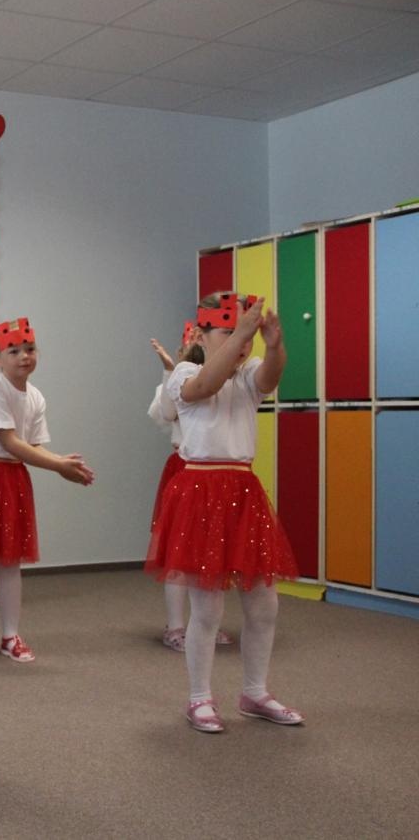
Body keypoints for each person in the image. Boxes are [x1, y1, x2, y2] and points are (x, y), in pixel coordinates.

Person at [146, 293, 303, 733]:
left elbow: (270, 377)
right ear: (200, 335)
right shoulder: (185, 372)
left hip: (242, 492)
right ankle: (199, 698)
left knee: (264, 604)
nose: (241, 340)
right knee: (207, 609)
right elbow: (205, 387)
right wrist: (243, 336)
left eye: (244, 332)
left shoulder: (247, 372)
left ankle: (255, 692)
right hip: (201, 493)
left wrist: (274, 346)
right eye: (228, 331)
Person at [0, 318, 95, 665]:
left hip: (11, 478)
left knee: (10, 563)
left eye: (30, 349)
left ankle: (10, 635)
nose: (24, 356)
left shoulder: (36, 396)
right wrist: (59, 466)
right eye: (14, 351)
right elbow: (9, 441)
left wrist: (60, 462)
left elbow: (32, 445)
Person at [148, 326, 232, 652]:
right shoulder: (177, 380)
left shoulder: (224, 380)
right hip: (185, 469)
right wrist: (169, 370)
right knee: (179, 552)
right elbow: (166, 413)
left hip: (217, 474)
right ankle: (176, 626)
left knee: (212, 550)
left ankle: (206, 622)